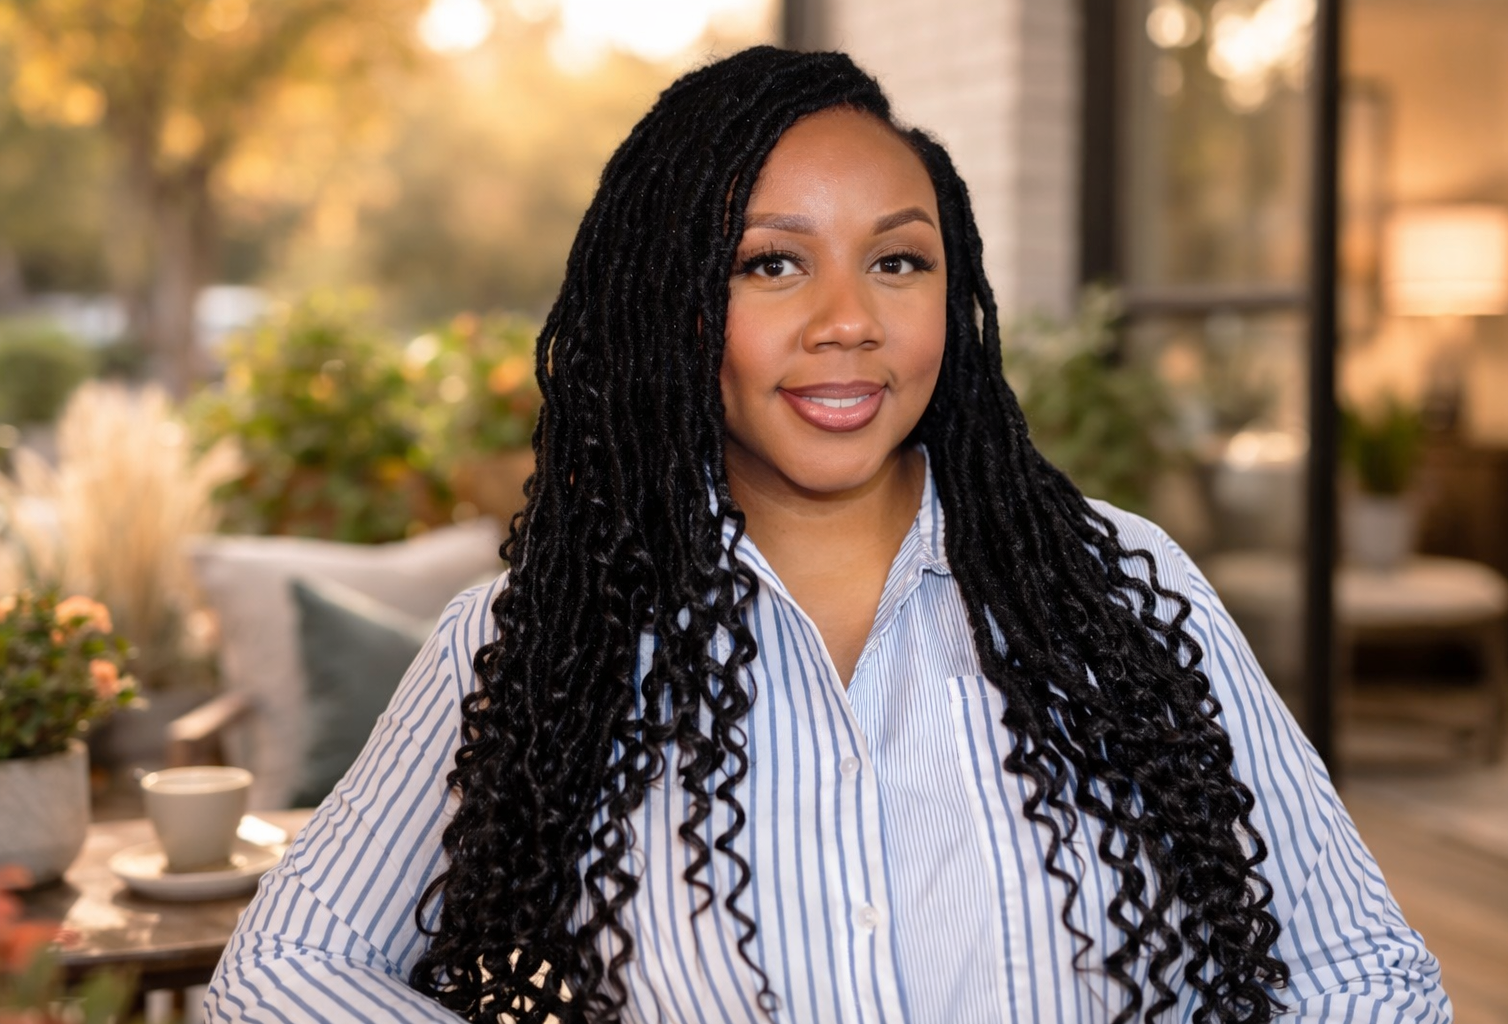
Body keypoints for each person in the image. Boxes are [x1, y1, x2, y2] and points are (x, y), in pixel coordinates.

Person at [205, 46, 1450, 1024]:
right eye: (771, 266)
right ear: (668, 310)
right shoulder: (537, 637)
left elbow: (1361, 971)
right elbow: (284, 973)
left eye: (899, 263)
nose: (848, 320)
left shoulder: (1117, 587)